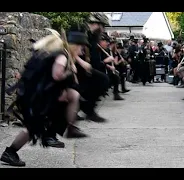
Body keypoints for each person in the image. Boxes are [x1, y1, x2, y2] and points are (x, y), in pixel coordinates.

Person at [0, 30, 89, 167]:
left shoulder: (62, 54)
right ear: (75, 46)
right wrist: (69, 72)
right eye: (81, 47)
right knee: (32, 128)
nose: (82, 51)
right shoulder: (62, 57)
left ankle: (68, 128)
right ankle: (10, 152)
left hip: (44, 96)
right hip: (39, 97)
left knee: (73, 95)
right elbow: (57, 76)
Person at [76, 12, 111, 122]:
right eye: (102, 26)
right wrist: (81, 62)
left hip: (89, 67)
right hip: (79, 66)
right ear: (96, 24)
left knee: (100, 82)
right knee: (103, 80)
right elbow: (70, 48)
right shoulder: (82, 31)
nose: (103, 29)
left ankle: (87, 109)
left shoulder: (93, 36)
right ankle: (86, 108)